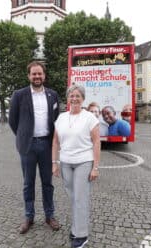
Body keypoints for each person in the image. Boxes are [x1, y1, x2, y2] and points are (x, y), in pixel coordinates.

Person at [9, 61, 61, 234]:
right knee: (28, 183)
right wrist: (23, 137)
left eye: (40, 73)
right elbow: (13, 121)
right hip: (28, 146)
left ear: (44, 75)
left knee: (48, 183)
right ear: (29, 76)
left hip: (47, 145)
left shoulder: (53, 95)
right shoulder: (19, 95)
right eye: (34, 74)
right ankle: (29, 216)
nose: (37, 76)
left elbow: (56, 118)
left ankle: (49, 215)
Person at [52, 85, 100, 248]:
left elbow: (96, 143)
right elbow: (55, 142)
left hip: (83, 162)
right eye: (72, 96)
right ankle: (76, 228)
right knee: (73, 198)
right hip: (65, 162)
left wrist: (95, 167)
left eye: (78, 96)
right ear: (68, 98)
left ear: (83, 98)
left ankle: (81, 235)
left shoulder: (89, 118)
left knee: (80, 198)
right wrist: (54, 163)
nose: (74, 98)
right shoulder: (61, 118)